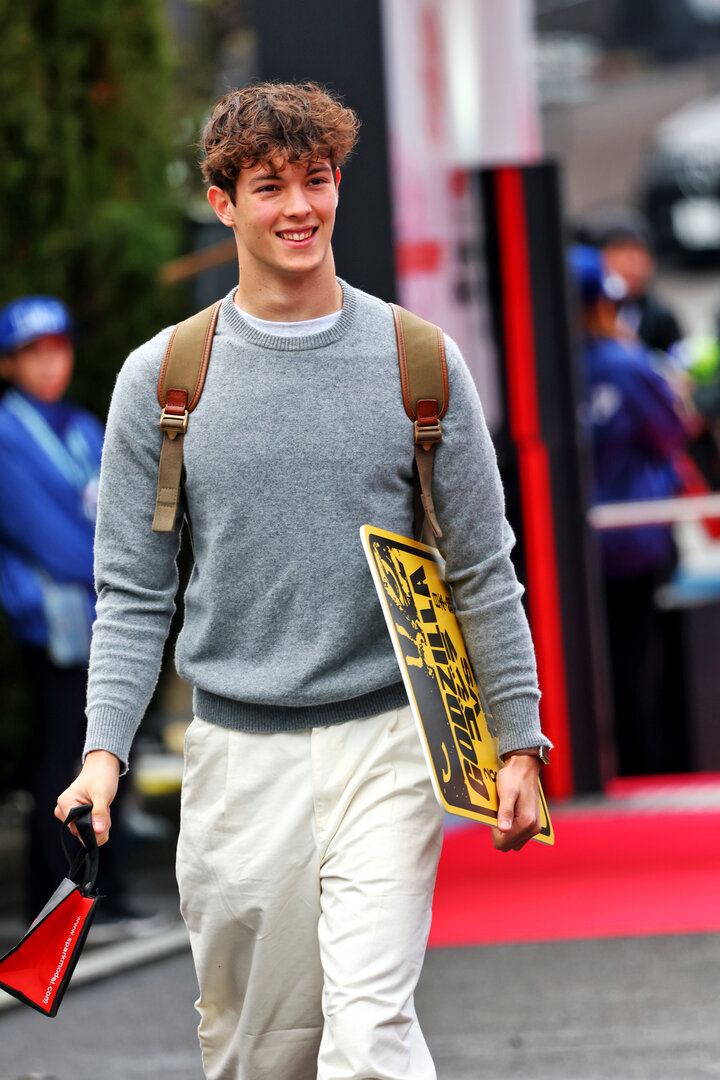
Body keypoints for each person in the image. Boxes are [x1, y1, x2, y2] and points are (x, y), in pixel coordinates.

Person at [56, 82, 552, 1080]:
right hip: (237, 760)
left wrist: (518, 740)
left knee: (369, 1036)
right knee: (260, 1053)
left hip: (390, 743)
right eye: (269, 186)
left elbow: (481, 568)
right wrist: (103, 753)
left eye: (316, 180)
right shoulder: (164, 380)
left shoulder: (419, 362)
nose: (299, 207)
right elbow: (135, 593)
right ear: (222, 202)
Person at [0, 296, 131, 926]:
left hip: (100, 615)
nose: (50, 363)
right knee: (62, 758)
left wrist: (115, 558)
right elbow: (51, 536)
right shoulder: (7, 431)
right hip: (51, 623)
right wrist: (118, 566)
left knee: (109, 751)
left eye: (58, 348)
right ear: (8, 364)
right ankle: (56, 907)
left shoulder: (80, 425)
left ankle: (106, 896)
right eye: (33, 352)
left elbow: (121, 516)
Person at [570, 246, 688, 776]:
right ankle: (640, 771)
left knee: (587, 668)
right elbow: (672, 431)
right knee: (636, 664)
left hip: (567, 551)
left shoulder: (536, 371)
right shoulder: (625, 363)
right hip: (633, 544)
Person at [580, 205, 683, 355]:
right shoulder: (582, 315)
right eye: (626, 256)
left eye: (642, 256)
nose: (637, 267)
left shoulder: (659, 318)